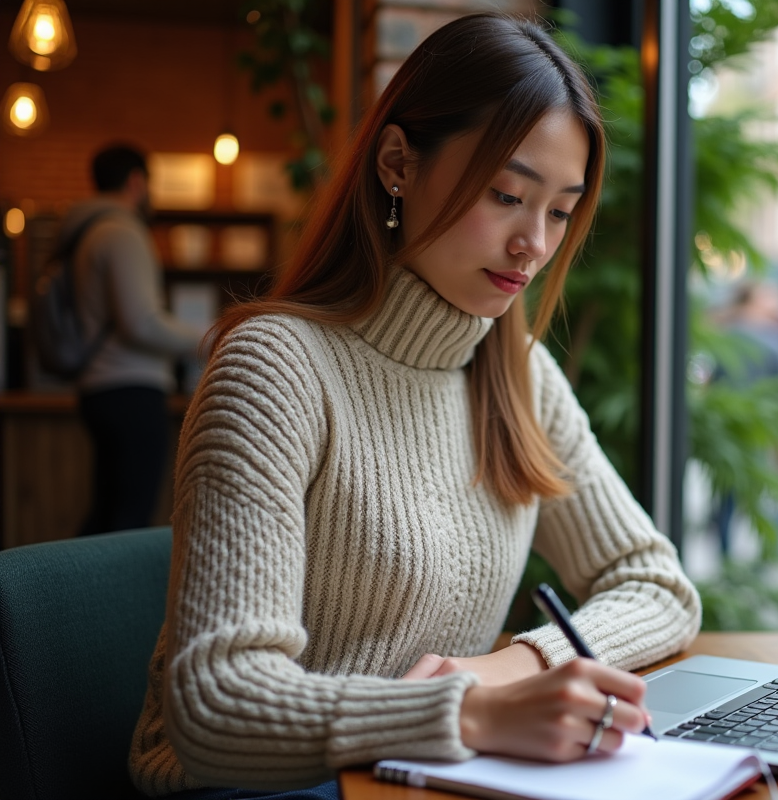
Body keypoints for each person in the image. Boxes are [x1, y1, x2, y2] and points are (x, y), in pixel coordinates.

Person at [127, 14, 701, 799]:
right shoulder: (276, 369)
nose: (535, 242)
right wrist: (470, 714)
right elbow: (219, 707)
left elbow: (658, 585)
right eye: (506, 194)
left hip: (417, 778)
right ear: (398, 163)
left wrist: (512, 669)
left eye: (561, 210)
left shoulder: (518, 375)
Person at [64, 144, 206, 535]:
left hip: (100, 389)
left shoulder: (87, 232)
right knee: (128, 522)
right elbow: (140, 322)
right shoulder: (123, 232)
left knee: (107, 516)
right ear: (136, 181)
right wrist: (206, 338)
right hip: (130, 389)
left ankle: (82, 596)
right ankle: (103, 597)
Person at [711, 281, 778, 555]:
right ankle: (772, 554)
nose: (774, 301)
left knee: (728, 497)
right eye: (769, 296)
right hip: (766, 433)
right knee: (773, 494)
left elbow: (711, 385)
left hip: (730, 432)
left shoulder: (723, 335)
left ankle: (725, 553)